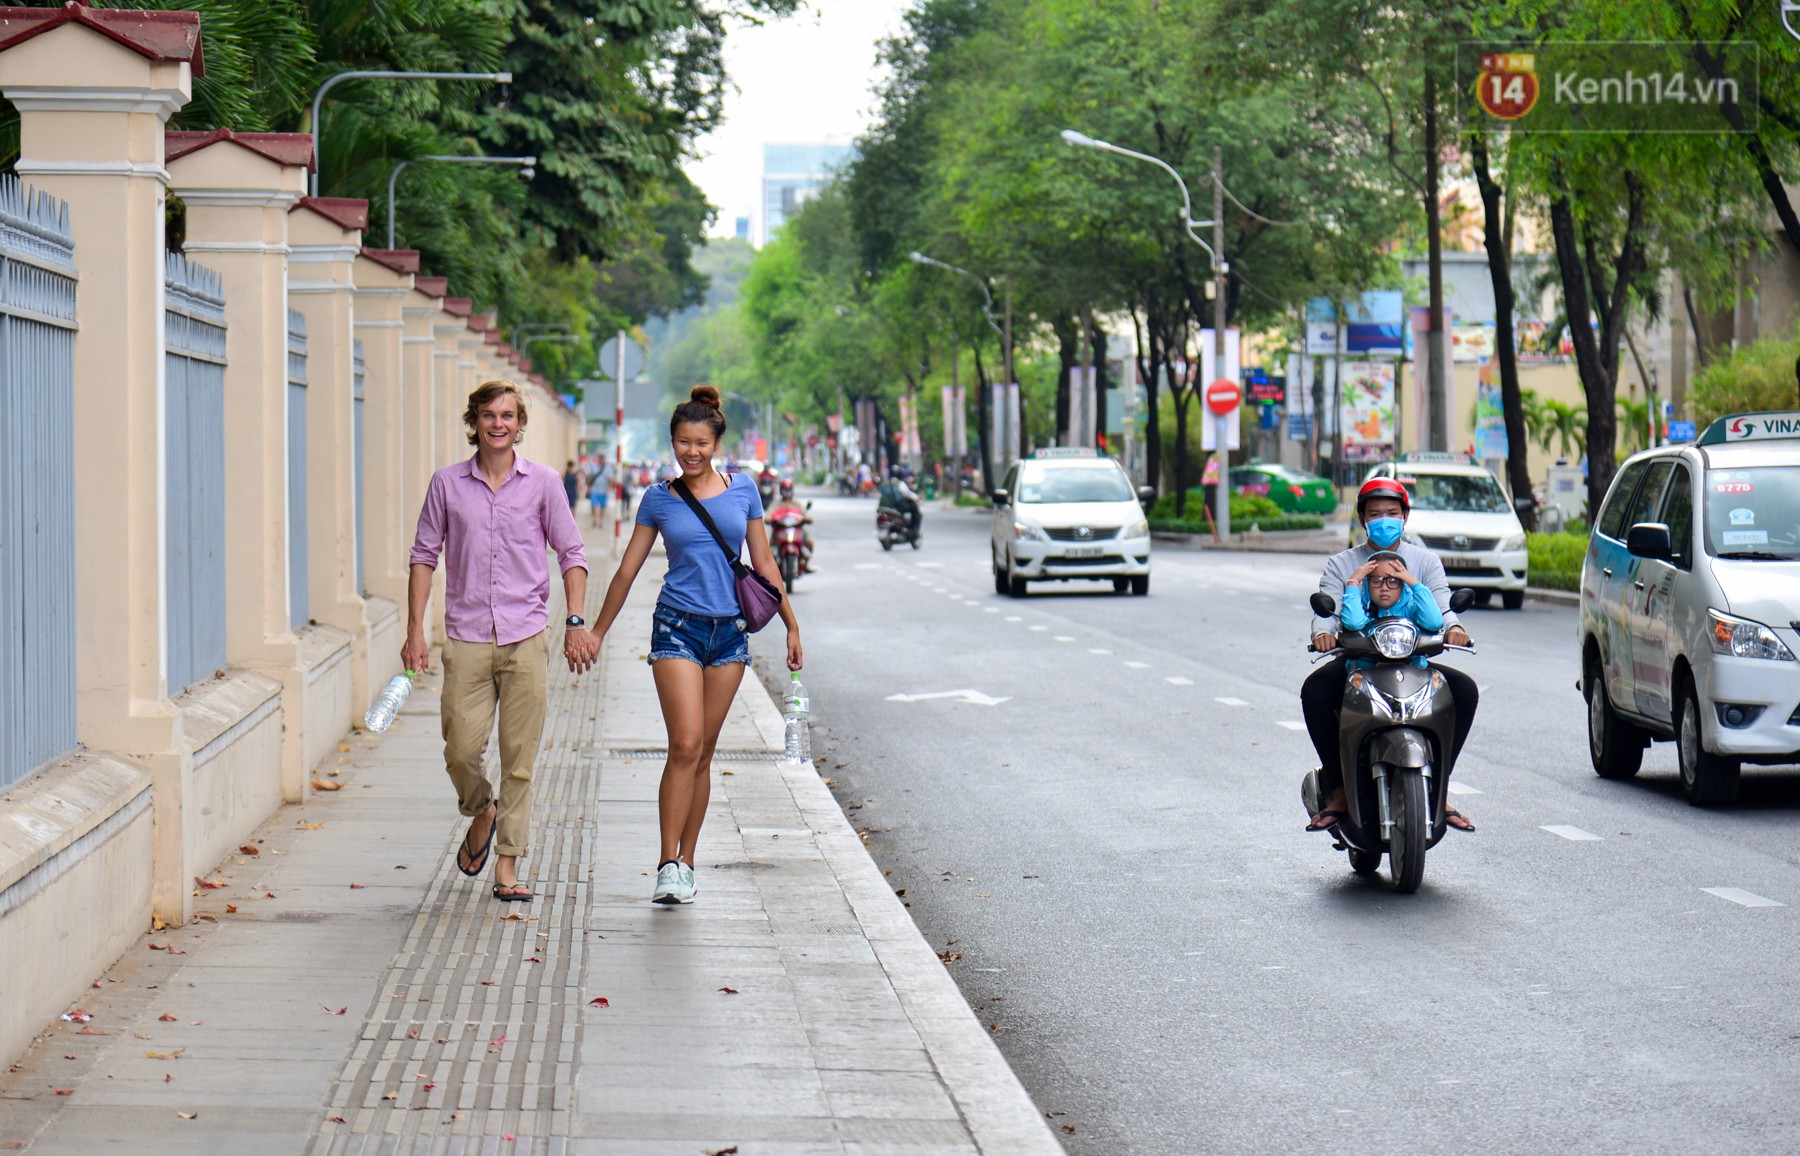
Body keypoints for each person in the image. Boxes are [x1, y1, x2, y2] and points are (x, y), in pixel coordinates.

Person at [590, 385, 803, 905]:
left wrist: (792, 626)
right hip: (677, 628)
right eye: (683, 442)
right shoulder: (659, 498)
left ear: (716, 442)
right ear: (673, 442)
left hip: (729, 634)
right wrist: (595, 630)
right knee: (684, 744)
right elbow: (627, 569)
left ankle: (688, 859)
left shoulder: (744, 490)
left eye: (701, 442)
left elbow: (765, 564)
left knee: (704, 753)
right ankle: (666, 863)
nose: (692, 451)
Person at [404, 381, 600, 902]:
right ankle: (482, 809)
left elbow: (572, 554)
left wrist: (575, 620)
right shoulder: (446, 485)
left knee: (519, 757)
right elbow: (424, 556)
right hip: (465, 635)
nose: (498, 424)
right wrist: (414, 632)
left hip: (526, 634)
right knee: (461, 749)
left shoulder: (543, 484)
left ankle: (508, 866)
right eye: (488, 415)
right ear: (475, 421)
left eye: (507, 416)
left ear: (520, 424)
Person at [1303, 477, 1478, 832]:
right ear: (1363, 518)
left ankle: (1439, 788)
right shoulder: (1343, 563)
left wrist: (1454, 628)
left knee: (1464, 691)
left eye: (1392, 513)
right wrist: (1323, 634)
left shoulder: (1424, 561)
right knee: (1316, 691)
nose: (1384, 519)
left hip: (1413, 661)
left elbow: (1442, 605)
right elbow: (1329, 611)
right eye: (1376, 513)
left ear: (1405, 516)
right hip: (1360, 660)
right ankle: (1340, 790)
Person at [769, 478, 817, 573]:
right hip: (780, 529)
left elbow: (806, 515)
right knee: (768, 547)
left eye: (789, 489)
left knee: (809, 542)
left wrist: (806, 518)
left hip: (796, 529)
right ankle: (771, 568)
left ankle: (806, 564)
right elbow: (768, 516)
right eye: (785, 489)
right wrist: (770, 519)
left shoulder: (797, 503)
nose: (787, 492)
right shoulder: (776, 504)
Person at [587, 461, 610, 528]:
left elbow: (610, 479)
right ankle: (594, 519)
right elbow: (589, 477)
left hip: (603, 491)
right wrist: (588, 487)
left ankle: (601, 521)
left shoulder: (608, 469)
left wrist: (609, 487)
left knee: (602, 507)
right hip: (594, 490)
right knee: (593, 505)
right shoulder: (593, 467)